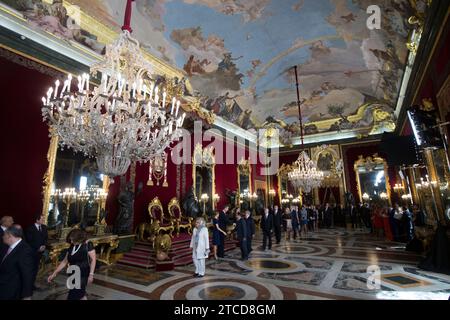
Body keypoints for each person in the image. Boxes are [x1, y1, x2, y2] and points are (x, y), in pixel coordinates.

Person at [48, 229, 96, 300]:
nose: (71, 241)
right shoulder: (72, 246)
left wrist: (91, 274)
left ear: (78, 238)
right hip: (73, 274)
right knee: (80, 294)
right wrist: (54, 273)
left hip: (82, 274)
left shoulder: (88, 244)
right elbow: (65, 261)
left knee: (73, 295)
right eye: (70, 240)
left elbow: (93, 259)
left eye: (72, 240)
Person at [0, 225, 34, 300]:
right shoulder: (6, 246)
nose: (2, 236)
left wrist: (27, 295)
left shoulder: (25, 251)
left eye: (4, 235)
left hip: (10, 291)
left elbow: (27, 274)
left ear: (10, 236)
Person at [26, 214, 48, 292]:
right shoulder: (30, 228)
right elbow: (29, 241)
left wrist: (44, 246)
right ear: (37, 220)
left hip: (40, 253)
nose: (43, 220)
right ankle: (28, 286)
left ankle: (32, 284)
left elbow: (46, 238)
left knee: (36, 269)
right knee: (30, 270)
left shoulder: (44, 227)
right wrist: (37, 248)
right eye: (42, 219)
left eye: (43, 219)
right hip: (32, 253)